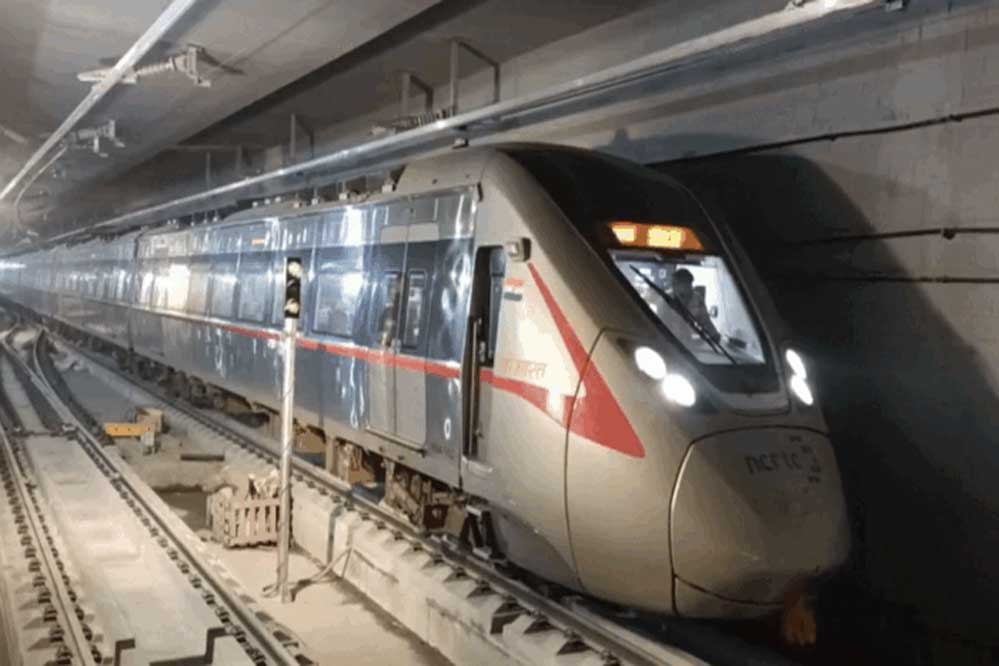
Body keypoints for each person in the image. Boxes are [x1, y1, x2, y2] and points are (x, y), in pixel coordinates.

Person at [671, 268, 721, 342]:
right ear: (675, 286)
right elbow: (659, 326)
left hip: (687, 342)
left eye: (689, 284)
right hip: (669, 339)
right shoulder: (665, 300)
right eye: (684, 285)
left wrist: (714, 335)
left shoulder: (697, 299)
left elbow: (705, 320)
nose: (689, 288)